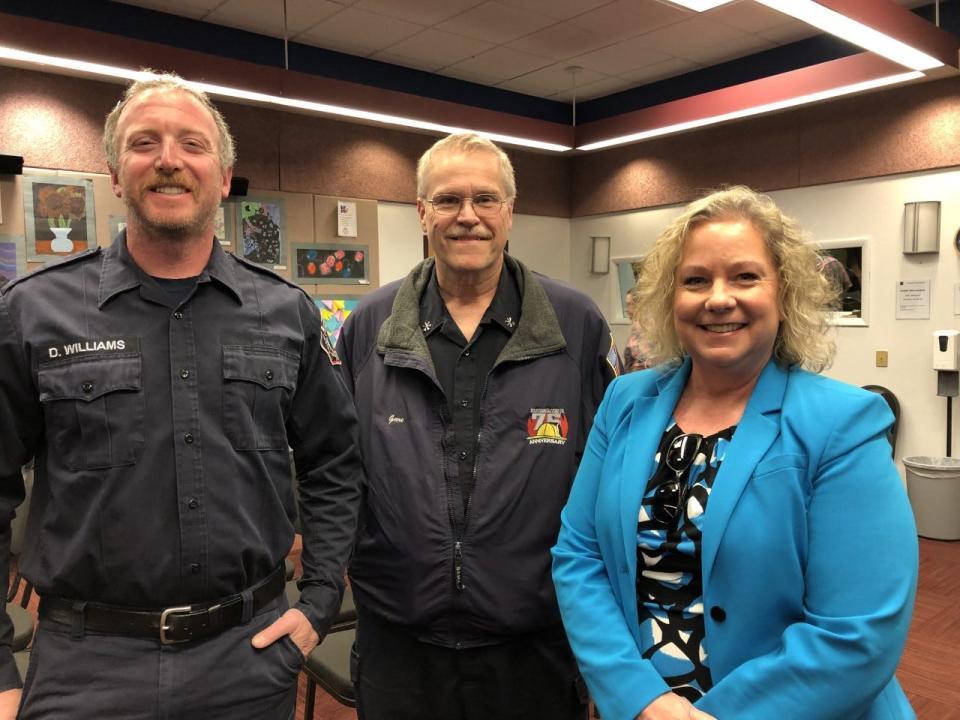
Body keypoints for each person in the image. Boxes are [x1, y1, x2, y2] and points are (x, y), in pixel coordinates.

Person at [0, 72, 363, 719]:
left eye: (192, 144)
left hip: (248, 658)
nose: (169, 158)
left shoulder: (285, 313)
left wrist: (317, 603)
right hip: (87, 668)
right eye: (146, 143)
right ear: (115, 173)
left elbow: (335, 461)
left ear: (223, 176)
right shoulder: (32, 314)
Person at [552, 186, 918, 720]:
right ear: (668, 298)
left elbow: (858, 632)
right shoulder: (626, 401)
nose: (718, 298)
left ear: (785, 292)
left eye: (745, 276)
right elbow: (578, 556)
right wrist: (641, 699)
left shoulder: (843, 422)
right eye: (695, 280)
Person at [337, 132, 621, 720]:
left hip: (533, 646)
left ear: (509, 213)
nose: (468, 217)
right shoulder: (367, 327)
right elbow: (335, 472)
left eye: (485, 199)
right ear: (422, 213)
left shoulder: (577, 325)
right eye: (447, 201)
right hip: (399, 643)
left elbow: (608, 478)